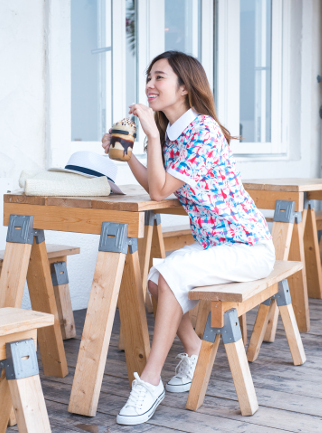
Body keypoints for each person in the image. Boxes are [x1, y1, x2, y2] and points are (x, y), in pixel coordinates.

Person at [101, 51, 275, 426]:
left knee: (169, 275)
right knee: (154, 281)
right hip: (217, 246)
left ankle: (150, 382)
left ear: (184, 87)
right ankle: (195, 351)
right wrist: (127, 152)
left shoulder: (204, 130)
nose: (150, 85)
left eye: (159, 78)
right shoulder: (174, 134)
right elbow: (156, 185)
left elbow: (159, 192)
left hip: (246, 247)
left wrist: (149, 133)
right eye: (148, 77)